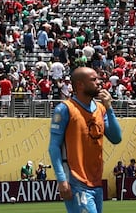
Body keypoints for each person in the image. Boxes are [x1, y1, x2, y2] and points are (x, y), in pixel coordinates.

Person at [50, 67, 123, 213]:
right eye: (93, 79)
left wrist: (109, 108)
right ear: (80, 84)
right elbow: (54, 147)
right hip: (76, 181)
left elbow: (116, 138)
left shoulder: (101, 109)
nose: (99, 82)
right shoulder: (65, 109)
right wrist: (61, 179)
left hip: (96, 181)